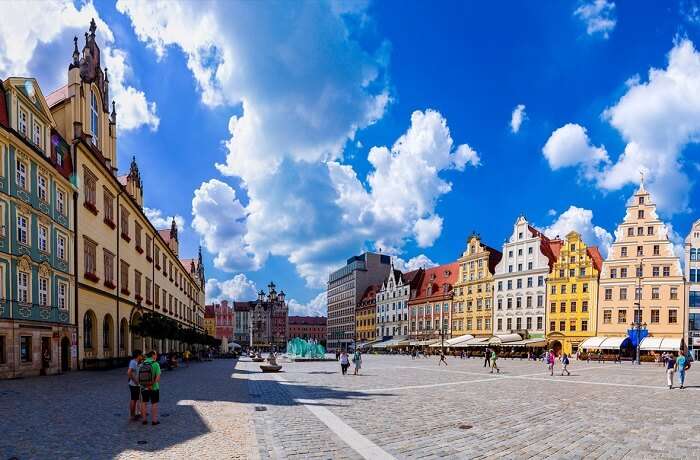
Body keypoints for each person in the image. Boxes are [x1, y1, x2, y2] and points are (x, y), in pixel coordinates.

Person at [139, 351, 162, 425]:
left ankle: (144, 420)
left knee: (144, 402)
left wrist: (145, 385)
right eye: (156, 355)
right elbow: (158, 378)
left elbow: (139, 377)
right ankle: (154, 420)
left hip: (143, 387)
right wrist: (152, 385)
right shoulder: (156, 364)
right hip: (154, 387)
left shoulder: (142, 364)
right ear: (153, 355)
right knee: (154, 403)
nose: (156, 357)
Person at [127, 349, 143, 421]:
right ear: (138, 355)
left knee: (135, 399)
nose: (141, 356)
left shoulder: (136, 362)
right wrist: (135, 381)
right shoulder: (133, 362)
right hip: (133, 384)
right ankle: (132, 415)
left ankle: (134, 414)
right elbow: (129, 372)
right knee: (133, 400)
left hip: (135, 384)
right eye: (141, 355)